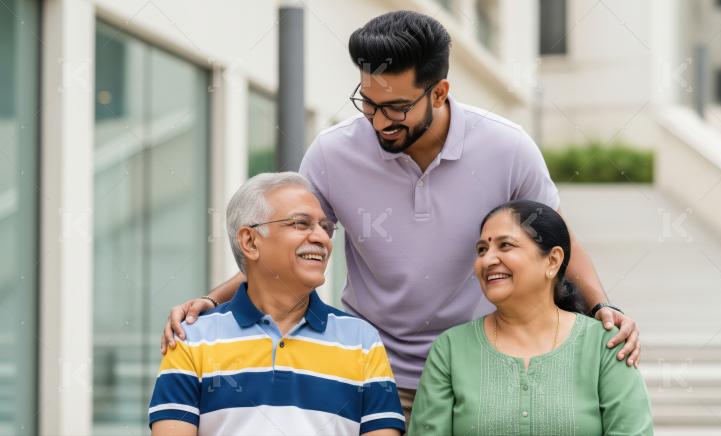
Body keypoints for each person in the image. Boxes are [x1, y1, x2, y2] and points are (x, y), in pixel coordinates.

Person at [160, 11, 641, 421]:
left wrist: (603, 307)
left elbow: (555, 236)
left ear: (439, 92)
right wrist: (213, 299)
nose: (377, 120)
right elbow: (290, 245)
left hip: (474, 370)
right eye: (367, 102)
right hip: (369, 369)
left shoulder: (507, 147)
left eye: (395, 107)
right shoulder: (333, 153)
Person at [149, 173, 404, 436]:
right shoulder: (190, 339)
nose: (322, 238)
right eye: (301, 223)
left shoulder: (361, 341)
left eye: (325, 227)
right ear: (250, 241)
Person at [408, 201, 653, 435]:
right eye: (482, 249)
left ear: (553, 260)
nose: (488, 259)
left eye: (505, 246)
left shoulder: (605, 345)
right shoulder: (451, 349)